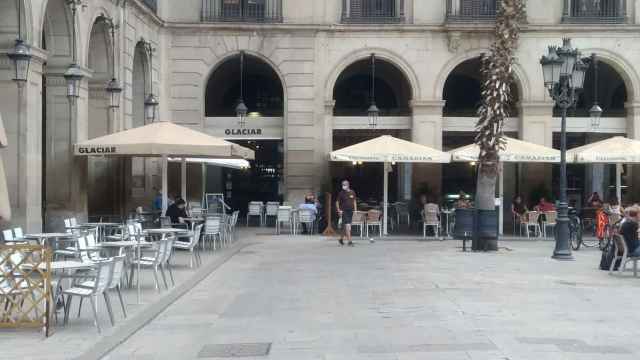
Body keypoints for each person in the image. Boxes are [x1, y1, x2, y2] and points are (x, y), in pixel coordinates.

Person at [336, 180, 357, 246]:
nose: (343, 186)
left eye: (344, 185)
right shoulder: (341, 193)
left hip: (350, 212)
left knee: (345, 227)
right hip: (344, 211)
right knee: (348, 226)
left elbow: (354, 201)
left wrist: (355, 210)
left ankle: (341, 239)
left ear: (348, 185)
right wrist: (338, 210)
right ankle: (350, 242)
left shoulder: (352, 192)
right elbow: (337, 202)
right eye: (342, 185)